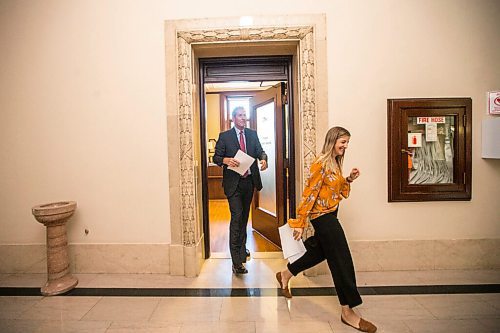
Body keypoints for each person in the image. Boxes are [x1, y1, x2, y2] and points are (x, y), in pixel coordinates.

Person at [276, 126, 377, 333]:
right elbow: (309, 194)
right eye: (343, 142)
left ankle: (286, 274)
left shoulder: (335, 163)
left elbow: (336, 192)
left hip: (331, 213)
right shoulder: (320, 163)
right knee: (341, 258)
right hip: (321, 217)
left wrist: (348, 179)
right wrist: (300, 221)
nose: (345, 146)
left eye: (347, 142)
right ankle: (347, 311)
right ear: (332, 141)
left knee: (319, 252)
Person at [213, 106, 268, 274]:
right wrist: (225, 160)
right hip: (233, 184)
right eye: (240, 115)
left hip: (249, 182)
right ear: (233, 118)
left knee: (244, 217)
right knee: (236, 217)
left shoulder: (252, 134)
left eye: (245, 115)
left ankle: (242, 249)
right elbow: (216, 157)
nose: (244, 118)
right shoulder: (225, 137)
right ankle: (236, 261)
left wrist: (264, 159)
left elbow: (260, 151)